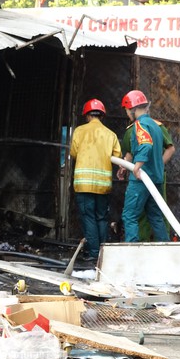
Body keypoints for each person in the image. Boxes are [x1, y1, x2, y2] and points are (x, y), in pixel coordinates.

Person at [69, 98, 121, 260]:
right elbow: (117, 156)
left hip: (83, 184)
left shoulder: (79, 131)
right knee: (101, 217)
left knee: (88, 217)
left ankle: (93, 253)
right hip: (103, 185)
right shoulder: (111, 135)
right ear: (102, 116)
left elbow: (73, 153)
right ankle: (102, 253)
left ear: (87, 116)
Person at [119, 90, 170, 243]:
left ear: (132, 109)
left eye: (127, 111)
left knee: (129, 215)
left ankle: (133, 253)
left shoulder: (140, 125)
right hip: (156, 179)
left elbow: (145, 145)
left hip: (141, 179)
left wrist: (137, 165)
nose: (127, 114)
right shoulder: (155, 126)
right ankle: (166, 250)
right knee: (155, 216)